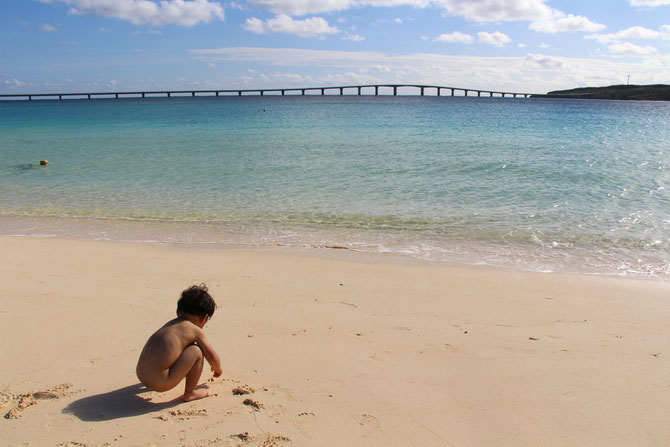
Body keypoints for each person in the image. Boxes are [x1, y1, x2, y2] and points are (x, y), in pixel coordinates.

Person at [136, 284, 223, 401]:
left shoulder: (170, 325)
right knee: (196, 351)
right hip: (161, 383)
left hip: (141, 375)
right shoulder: (194, 330)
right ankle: (190, 393)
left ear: (178, 311)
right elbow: (213, 358)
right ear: (203, 318)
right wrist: (217, 368)